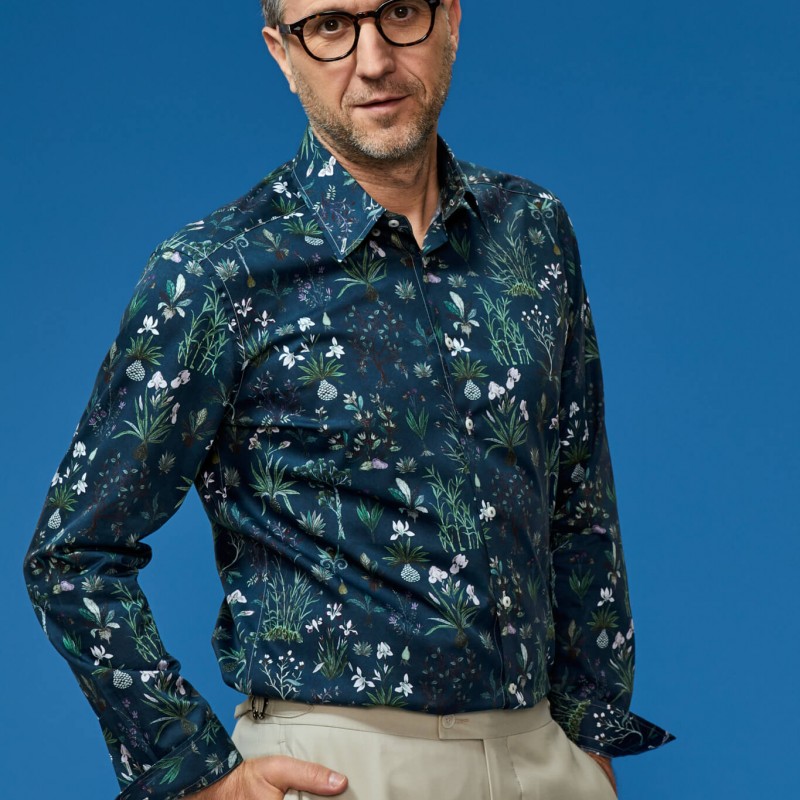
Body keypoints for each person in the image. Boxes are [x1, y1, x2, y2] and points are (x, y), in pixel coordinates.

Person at [24, 1, 673, 798]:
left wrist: (589, 735)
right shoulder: (218, 273)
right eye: (330, 26)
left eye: (399, 12)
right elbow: (72, 555)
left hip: (542, 757)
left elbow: (579, 499)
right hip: (344, 767)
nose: (372, 60)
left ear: (450, 19)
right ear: (281, 51)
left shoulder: (533, 232)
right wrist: (191, 772)